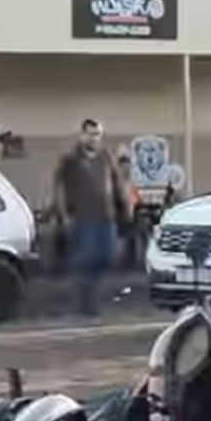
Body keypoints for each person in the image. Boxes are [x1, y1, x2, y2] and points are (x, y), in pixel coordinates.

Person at [53, 119, 127, 316]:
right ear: (82, 135)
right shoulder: (70, 160)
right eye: (91, 134)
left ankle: (89, 295)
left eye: (98, 135)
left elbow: (117, 183)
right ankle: (85, 304)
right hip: (83, 217)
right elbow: (59, 189)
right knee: (86, 259)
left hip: (107, 216)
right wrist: (64, 216)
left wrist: (124, 209)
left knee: (107, 255)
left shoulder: (106, 157)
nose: (94, 139)